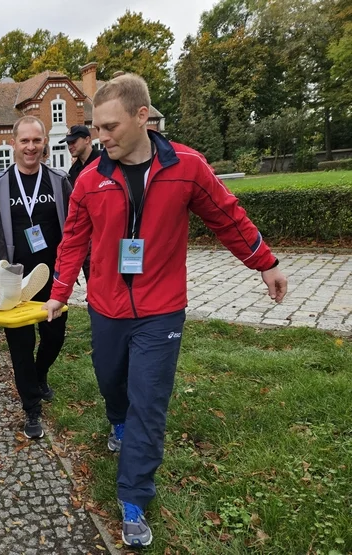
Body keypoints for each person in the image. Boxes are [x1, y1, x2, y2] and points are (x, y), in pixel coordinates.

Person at [43, 73, 288, 547]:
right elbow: (73, 238)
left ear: (142, 117)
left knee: (149, 403)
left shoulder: (187, 167)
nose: (101, 137)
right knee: (112, 380)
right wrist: (59, 290)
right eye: (96, 128)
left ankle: (133, 497)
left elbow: (227, 216)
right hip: (107, 307)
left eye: (110, 127)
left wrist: (266, 263)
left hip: (162, 309)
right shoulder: (91, 179)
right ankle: (117, 419)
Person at [0, 115, 72, 440]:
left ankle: (39, 375)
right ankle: (31, 408)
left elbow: (76, 230)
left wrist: (84, 273)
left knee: (54, 338)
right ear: (13, 143)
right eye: (25, 141)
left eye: (36, 140)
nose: (31, 147)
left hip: (53, 280)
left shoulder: (58, 181)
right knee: (21, 347)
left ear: (44, 143)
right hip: (13, 283)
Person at [60, 124, 100, 281]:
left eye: (74, 141)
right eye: (68, 143)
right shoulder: (73, 171)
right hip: (86, 232)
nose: (70, 146)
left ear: (87, 139)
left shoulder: (105, 161)